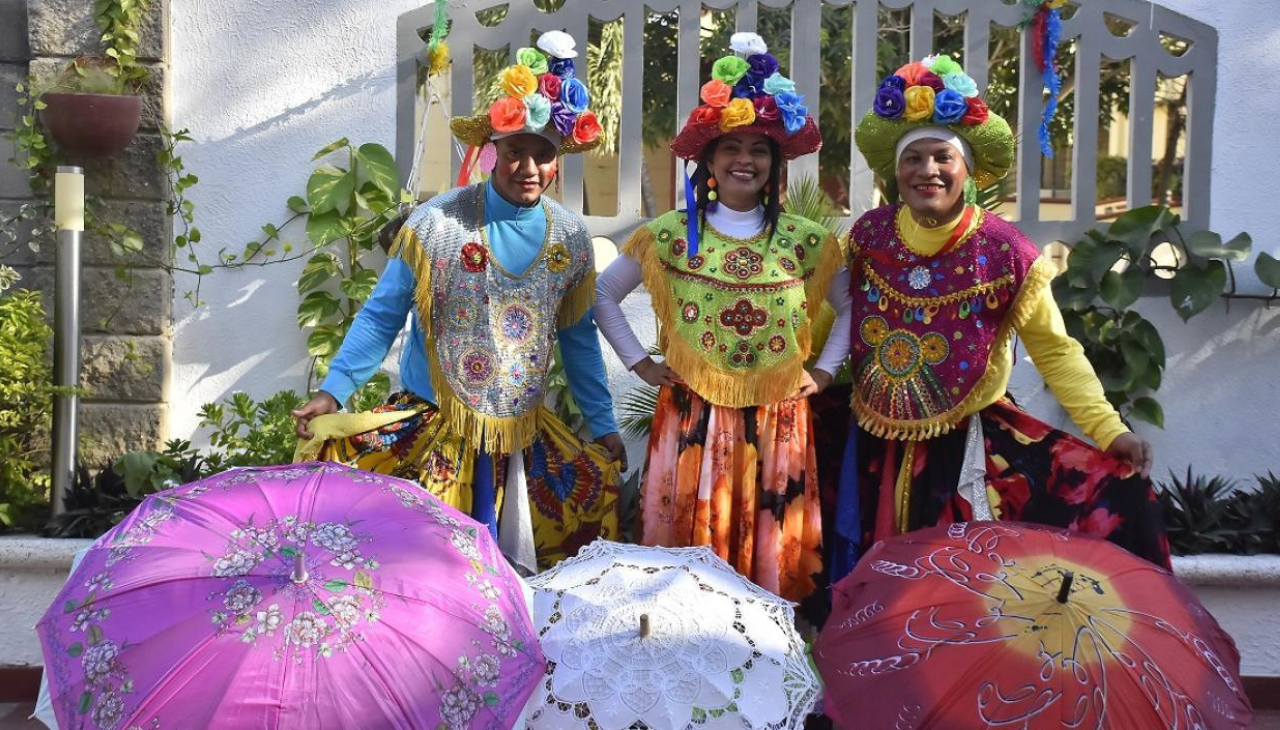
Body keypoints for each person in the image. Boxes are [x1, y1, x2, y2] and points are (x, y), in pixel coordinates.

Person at [292, 31, 626, 573]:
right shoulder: (437, 224)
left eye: (543, 155)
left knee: (515, 578)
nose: (529, 168)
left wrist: (603, 421)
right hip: (435, 428)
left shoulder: (570, 239)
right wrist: (333, 392)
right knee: (423, 572)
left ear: (558, 161)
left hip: (522, 434)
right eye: (516, 151)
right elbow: (382, 314)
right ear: (495, 151)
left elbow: (578, 338)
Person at [829, 55, 1169, 579]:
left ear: (966, 168)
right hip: (871, 446)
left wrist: (1108, 430)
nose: (927, 171)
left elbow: (1055, 350)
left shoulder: (1006, 252)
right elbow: (825, 315)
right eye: (912, 159)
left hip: (968, 450)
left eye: (942, 156)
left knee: (958, 586)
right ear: (895, 171)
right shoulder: (867, 238)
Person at [593, 33, 852, 602]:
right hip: (693, 414)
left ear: (774, 163)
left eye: (759, 149)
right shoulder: (669, 236)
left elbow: (853, 305)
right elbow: (603, 296)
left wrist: (828, 370)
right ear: (709, 159)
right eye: (731, 147)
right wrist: (639, 363)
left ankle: (766, 643)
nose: (745, 160)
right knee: (686, 557)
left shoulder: (807, 242)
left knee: (769, 551)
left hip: (777, 413)